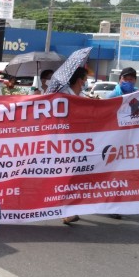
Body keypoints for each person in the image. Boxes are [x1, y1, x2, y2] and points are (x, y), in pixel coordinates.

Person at [50, 67, 90, 225]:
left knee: (76, 177)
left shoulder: (82, 96)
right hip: (63, 142)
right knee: (67, 176)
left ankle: (69, 209)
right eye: (85, 79)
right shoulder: (63, 96)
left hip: (80, 143)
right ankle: (65, 211)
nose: (86, 82)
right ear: (80, 80)